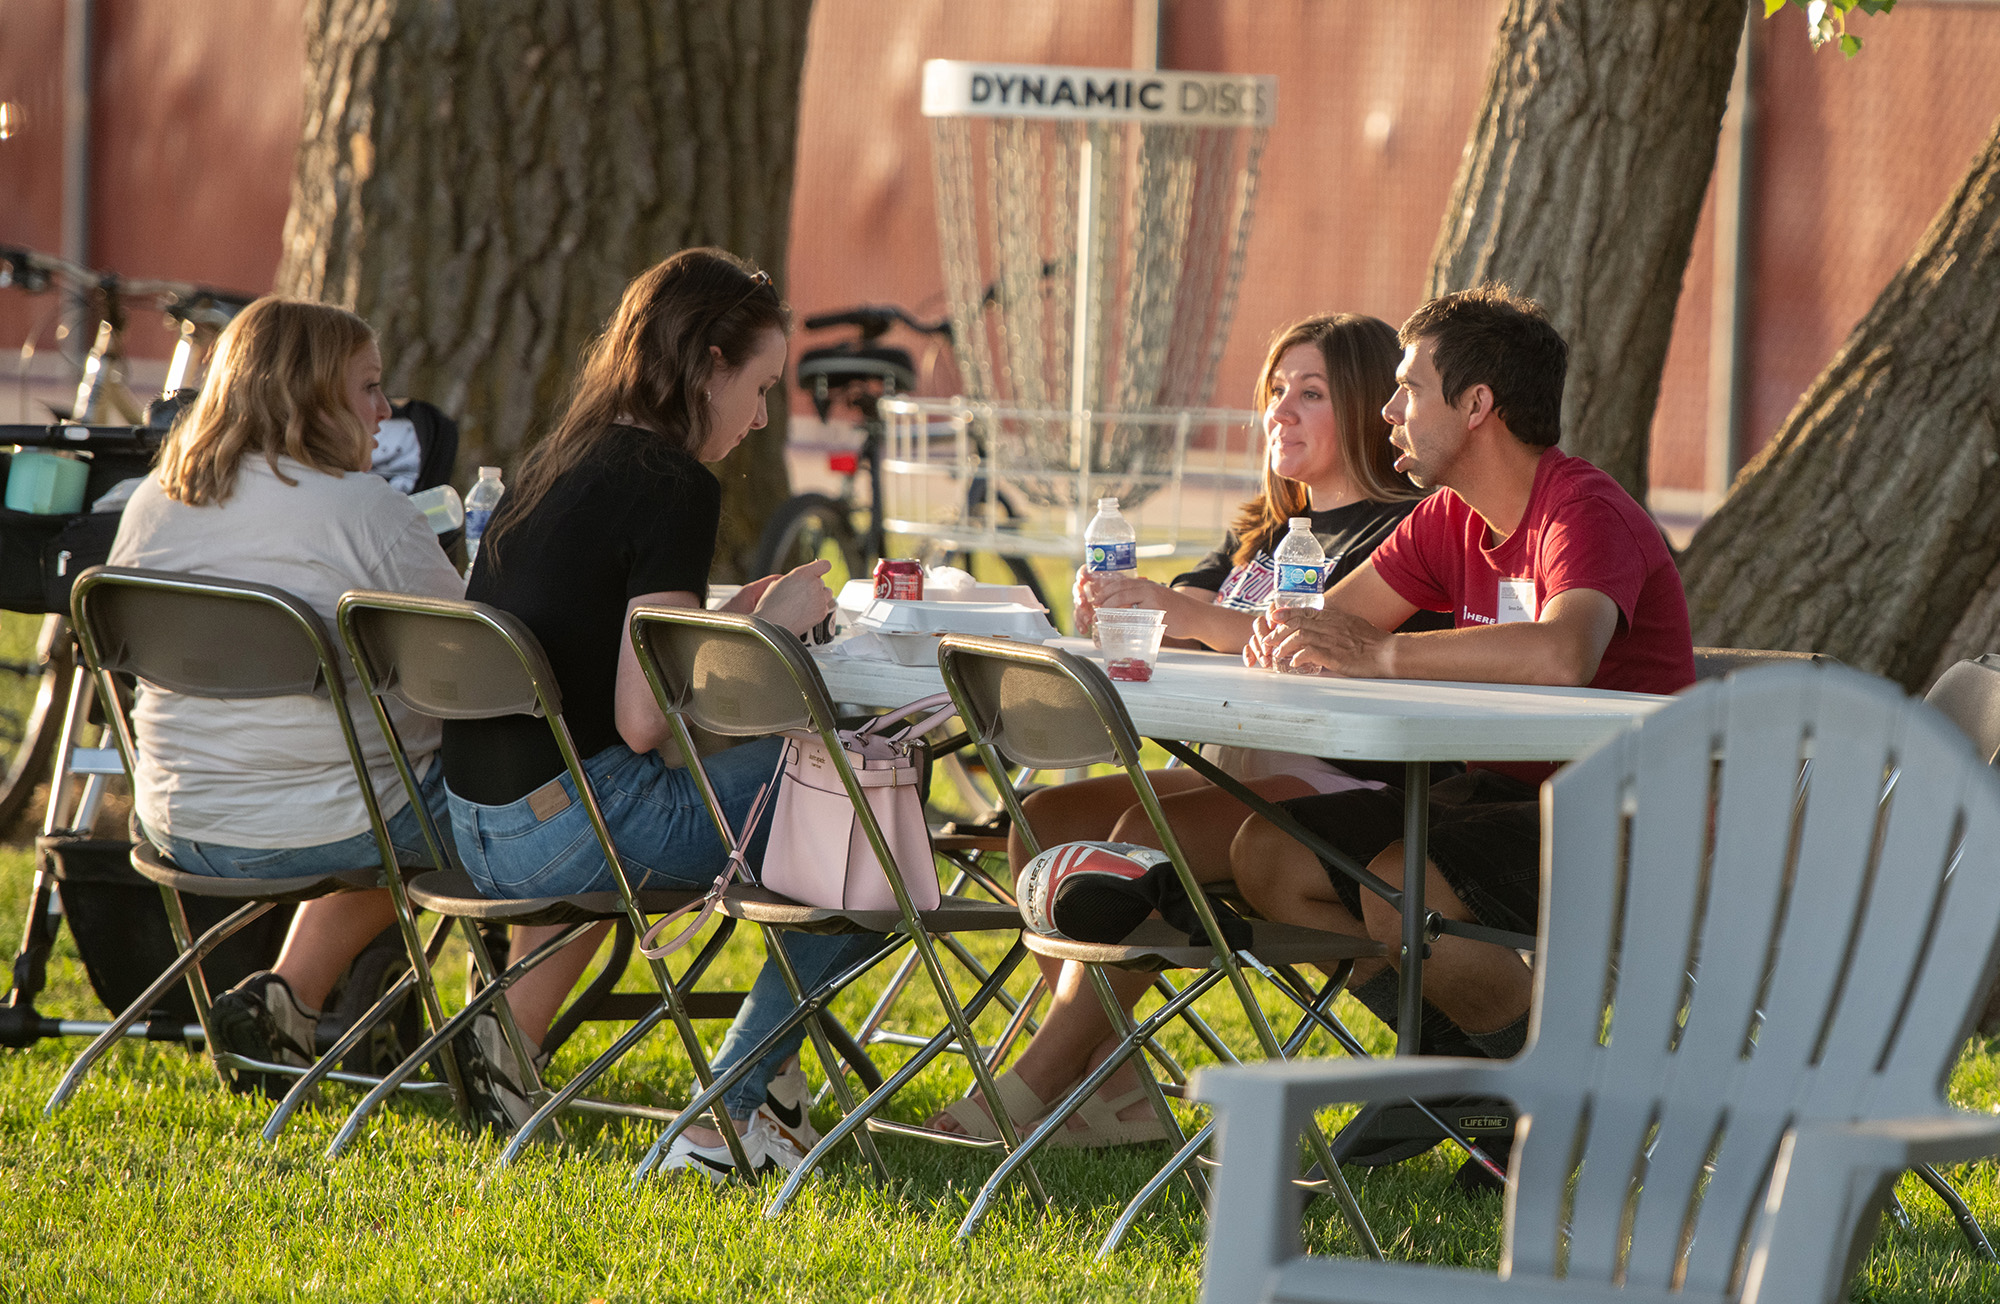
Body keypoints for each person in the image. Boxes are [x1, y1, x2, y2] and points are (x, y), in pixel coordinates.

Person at [928, 313, 1446, 1145]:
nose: (1281, 410)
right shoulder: (1262, 536)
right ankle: (1114, 1086)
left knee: (1138, 836)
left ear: (1364, 408)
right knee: (1048, 820)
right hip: (1240, 775)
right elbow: (1180, 613)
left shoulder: (1401, 537)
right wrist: (1127, 607)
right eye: (1276, 391)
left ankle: (1031, 1088)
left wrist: (1176, 609)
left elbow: (1296, 643)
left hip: (1344, 786)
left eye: (1310, 393)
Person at [1227, 283, 1695, 1180]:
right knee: (1269, 855)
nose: (1390, 411)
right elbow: (1335, 624)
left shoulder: (1578, 509)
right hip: (1505, 793)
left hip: (1635, 812)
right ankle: (1493, 1085)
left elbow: (1565, 653)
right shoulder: (1450, 515)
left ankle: (1531, 1089)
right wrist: (1279, 633)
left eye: (1408, 388)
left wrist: (1385, 659)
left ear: (1477, 406)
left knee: (1400, 884)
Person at [443, 248, 876, 1176]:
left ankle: (765, 1088)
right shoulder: (674, 481)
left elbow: (608, 653)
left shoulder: (558, 456)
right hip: (573, 822)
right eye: (758, 388)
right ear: (708, 364)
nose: (762, 417)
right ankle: (728, 1116)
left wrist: (734, 621)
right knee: (864, 813)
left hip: (475, 820)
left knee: (822, 805)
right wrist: (774, 633)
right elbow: (647, 723)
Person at [107, 296, 465, 1095]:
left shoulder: (151, 504)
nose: (385, 413)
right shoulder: (366, 512)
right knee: (503, 797)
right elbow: (480, 664)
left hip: (180, 824)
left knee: (385, 799)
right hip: (346, 826)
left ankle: (291, 1000)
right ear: (306, 392)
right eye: (369, 388)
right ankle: (503, 1040)